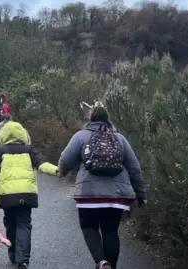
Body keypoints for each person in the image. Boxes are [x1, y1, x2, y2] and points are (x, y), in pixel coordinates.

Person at [58, 101, 147, 269]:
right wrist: (141, 195)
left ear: (90, 118)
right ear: (108, 119)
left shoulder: (81, 136)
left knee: (89, 227)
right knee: (110, 231)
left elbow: (65, 160)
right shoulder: (120, 139)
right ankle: (110, 266)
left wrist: (62, 172)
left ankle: (101, 261)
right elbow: (135, 169)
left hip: (88, 194)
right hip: (116, 196)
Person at [0, 120, 59, 269]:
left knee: (10, 222)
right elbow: (42, 165)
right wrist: (57, 170)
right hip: (27, 194)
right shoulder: (29, 150)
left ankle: (13, 254)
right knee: (24, 224)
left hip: (7, 195)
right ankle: (23, 260)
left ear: (2, 135)